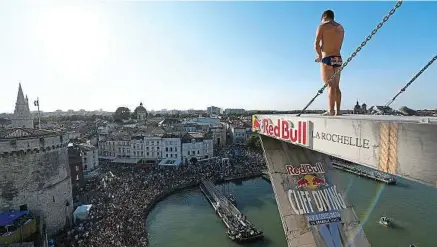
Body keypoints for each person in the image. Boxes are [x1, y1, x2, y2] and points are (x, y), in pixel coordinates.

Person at [314, 9, 345, 116]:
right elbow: (339, 45)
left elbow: (316, 44)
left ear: (324, 17)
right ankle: (338, 111)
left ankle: (331, 111)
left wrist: (319, 56)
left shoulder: (322, 26)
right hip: (338, 58)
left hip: (327, 58)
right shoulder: (340, 28)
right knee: (336, 86)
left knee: (330, 85)